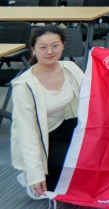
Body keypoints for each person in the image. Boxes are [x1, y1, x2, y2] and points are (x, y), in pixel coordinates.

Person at [11, 26, 83, 201]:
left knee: (96, 142)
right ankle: (29, 176)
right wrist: (35, 175)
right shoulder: (24, 86)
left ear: (63, 45)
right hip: (40, 139)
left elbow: (93, 95)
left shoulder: (70, 68)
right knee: (72, 163)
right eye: (43, 47)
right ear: (33, 49)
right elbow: (28, 134)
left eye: (55, 46)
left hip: (61, 126)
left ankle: (58, 168)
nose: (50, 52)